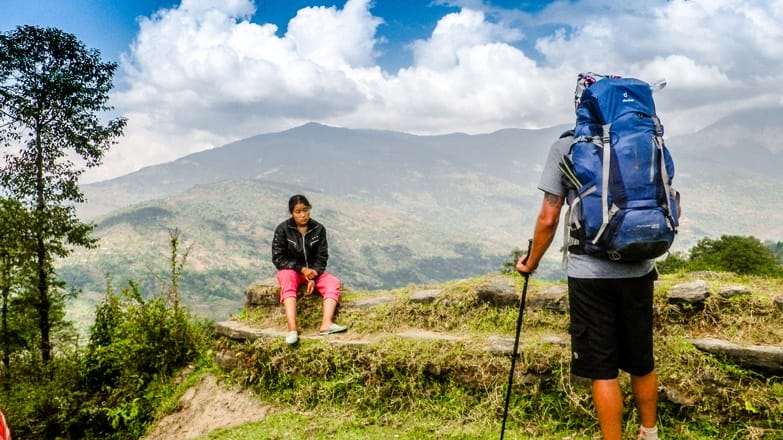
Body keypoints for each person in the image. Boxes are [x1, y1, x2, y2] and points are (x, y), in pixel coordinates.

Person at [515, 74, 666, 440]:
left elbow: (549, 216)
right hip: (639, 265)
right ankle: (650, 433)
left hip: (589, 274)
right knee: (642, 361)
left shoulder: (567, 146)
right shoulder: (647, 140)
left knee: (604, 369)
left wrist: (530, 262)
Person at [272, 194, 347, 345]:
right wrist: (301, 269)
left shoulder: (318, 229)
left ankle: (326, 323)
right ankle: (292, 328)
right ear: (291, 213)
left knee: (333, 282)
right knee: (286, 279)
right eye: (298, 211)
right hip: (293, 271)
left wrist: (313, 274)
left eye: (305, 210)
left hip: (314, 272)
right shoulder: (283, 230)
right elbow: (278, 258)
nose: (303, 214)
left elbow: (322, 257)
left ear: (309, 209)